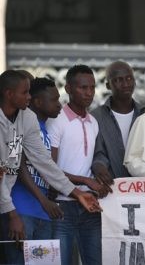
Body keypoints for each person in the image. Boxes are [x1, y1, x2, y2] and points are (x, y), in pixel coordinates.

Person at [0, 70, 101, 243]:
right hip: (12, 207)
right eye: (25, 92)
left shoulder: (27, 117)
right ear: (9, 94)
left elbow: (43, 161)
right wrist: (13, 214)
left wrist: (78, 193)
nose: (29, 97)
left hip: (8, 204)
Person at [47, 65, 111, 265]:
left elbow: (91, 160)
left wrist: (98, 178)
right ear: (68, 89)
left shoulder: (93, 122)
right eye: (83, 87)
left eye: (92, 87)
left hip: (90, 206)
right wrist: (86, 181)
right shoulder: (55, 121)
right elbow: (49, 168)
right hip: (62, 206)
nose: (89, 92)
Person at [1, 78, 64, 264]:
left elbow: (47, 167)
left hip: (44, 212)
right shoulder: (18, 127)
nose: (59, 105)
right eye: (54, 99)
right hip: (22, 209)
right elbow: (18, 165)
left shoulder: (42, 129)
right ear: (37, 102)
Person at [91, 61, 145, 186]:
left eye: (129, 79)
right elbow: (97, 153)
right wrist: (99, 166)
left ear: (135, 82)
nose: (125, 84)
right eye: (118, 80)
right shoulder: (96, 117)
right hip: (110, 190)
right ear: (107, 85)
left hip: (144, 189)